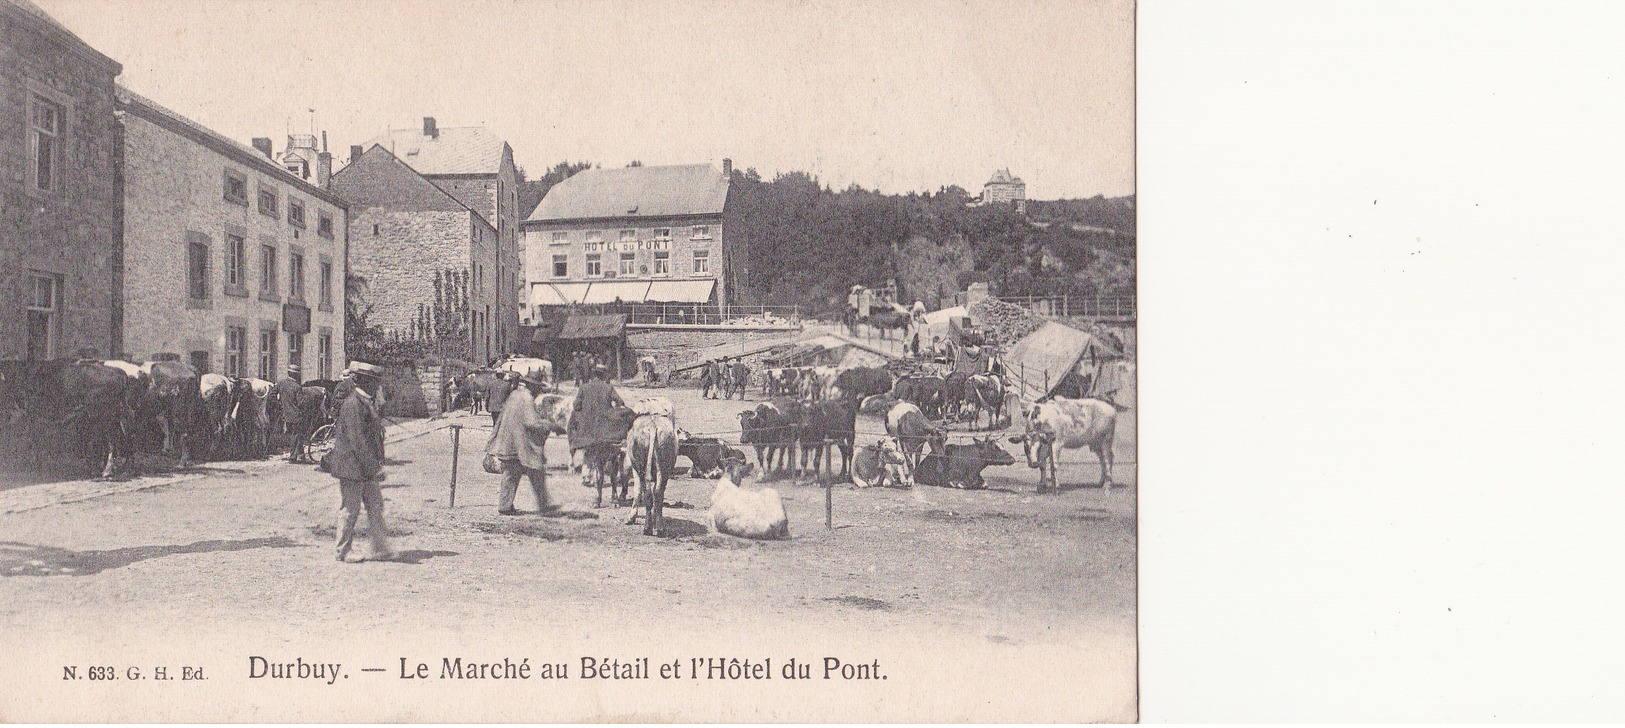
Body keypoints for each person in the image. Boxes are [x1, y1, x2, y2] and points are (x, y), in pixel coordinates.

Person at [327, 361, 392, 562]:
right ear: (361, 381)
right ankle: (343, 551)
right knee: (350, 509)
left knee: (375, 506)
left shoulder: (366, 402)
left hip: (364, 466)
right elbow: (358, 441)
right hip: (352, 466)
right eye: (373, 381)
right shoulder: (353, 404)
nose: (377, 385)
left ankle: (380, 548)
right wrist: (374, 467)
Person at [486, 372, 559, 516]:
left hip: (508, 441)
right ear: (534, 387)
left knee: (510, 475)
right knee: (535, 472)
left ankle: (505, 505)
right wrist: (549, 425)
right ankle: (543, 505)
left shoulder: (515, 395)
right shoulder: (526, 398)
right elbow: (531, 423)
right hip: (520, 444)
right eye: (538, 388)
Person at [570, 363, 629, 498]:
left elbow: (576, 406)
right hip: (605, 429)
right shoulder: (608, 388)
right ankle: (613, 482)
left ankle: (586, 476)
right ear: (603, 376)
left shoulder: (584, 388)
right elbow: (620, 402)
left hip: (588, 430)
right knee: (611, 454)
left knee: (589, 451)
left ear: (593, 375)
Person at [269, 364, 302, 453]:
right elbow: (300, 403)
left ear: (288, 373)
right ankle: (293, 456)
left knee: (292, 434)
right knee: (296, 435)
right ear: (296, 375)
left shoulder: (281, 383)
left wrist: (280, 404)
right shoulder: (297, 387)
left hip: (284, 414)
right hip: (295, 415)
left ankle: (301, 455)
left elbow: (272, 395)